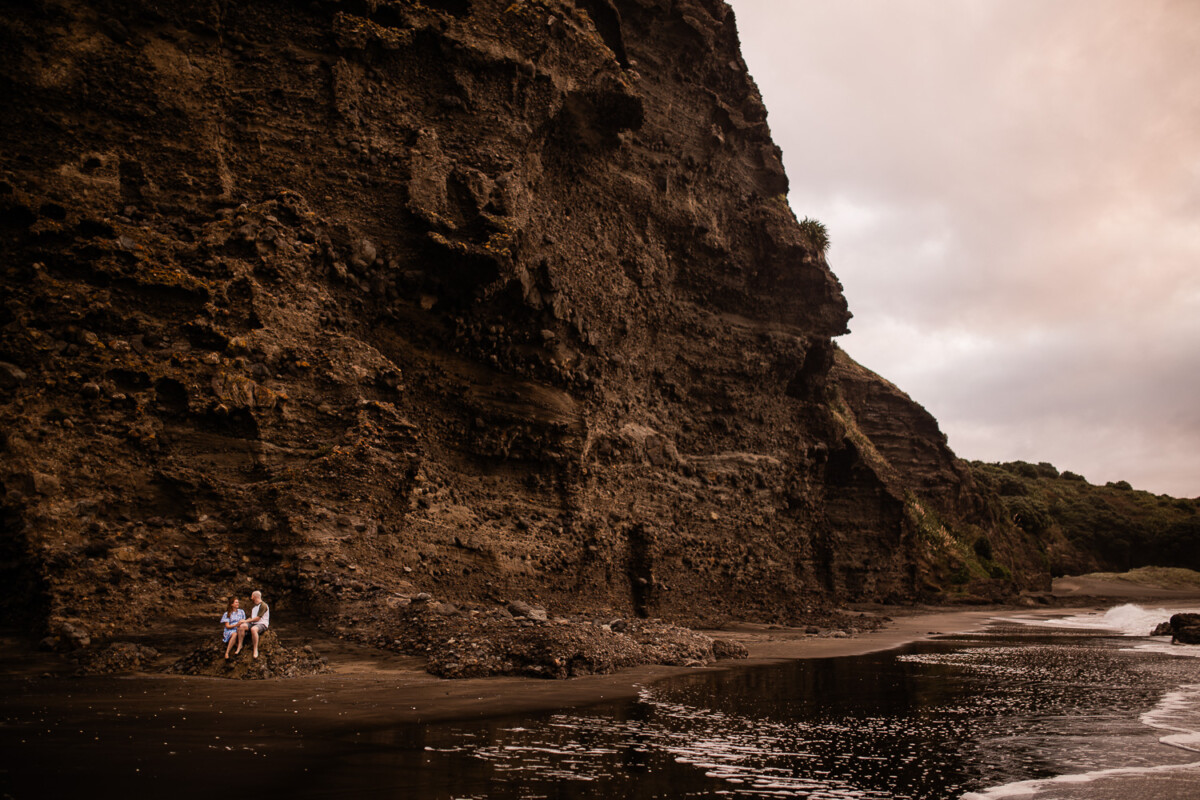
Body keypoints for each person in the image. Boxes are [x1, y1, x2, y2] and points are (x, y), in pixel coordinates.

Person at [239, 589, 270, 659]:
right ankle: (240, 645)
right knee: (242, 626)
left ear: (254, 596)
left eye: (251, 596)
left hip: (262, 623)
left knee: (253, 629)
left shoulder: (263, 605)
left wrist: (246, 621)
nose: (251, 598)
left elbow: (258, 618)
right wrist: (244, 621)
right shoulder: (254, 607)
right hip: (253, 623)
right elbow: (252, 618)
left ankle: (255, 649)